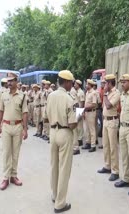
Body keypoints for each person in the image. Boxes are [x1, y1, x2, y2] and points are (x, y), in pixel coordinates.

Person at [45, 70, 77, 213]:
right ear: (67, 82)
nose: (72, 85)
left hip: (53, 132)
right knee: (64, 169)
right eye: (71, 82)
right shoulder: (69, 99)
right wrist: (79, 117)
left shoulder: (50, 96)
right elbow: (72, 124)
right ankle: (60, 203)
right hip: (65, 132)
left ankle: (54, 194)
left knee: (54, 166)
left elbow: (46, 117)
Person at [0, 72, 28, 190]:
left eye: (11, 81)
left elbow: (25, 113)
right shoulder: (3, 95)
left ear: (16, 81)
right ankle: (5, 177)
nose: (9, 83)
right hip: (6, 126)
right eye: (8, 81)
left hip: (18, 127)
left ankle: (13, 176)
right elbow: (0, 111)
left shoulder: (22, 96)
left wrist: (25, 129)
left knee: (15, 153)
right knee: (6, 153)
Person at [97, 74, 120, 182]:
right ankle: (107, 166)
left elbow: (108, 105)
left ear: (110, 83)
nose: (104, 85)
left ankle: (115, 171)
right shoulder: (108, 93)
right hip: (106, 120)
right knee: (106, 145)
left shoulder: (116, 93)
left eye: (106, 83)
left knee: (113, 146)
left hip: (112, 121)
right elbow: (103, 106)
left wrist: (105, 93)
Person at [82, 79, 97, 152]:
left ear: (90, 85)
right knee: (86, 128)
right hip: (86, 112)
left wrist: (85, 108)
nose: (86, 85)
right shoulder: (87, 92)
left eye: (87, 84)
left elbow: (94, 104)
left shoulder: (93, 93)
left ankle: (93, 145)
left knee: (92, 129)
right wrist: (84, 111)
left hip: (91, 112)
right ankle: (88, 142)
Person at [72, 80, 85, 155]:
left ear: (79, 85)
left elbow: (82, 102)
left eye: (76, 84)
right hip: (76, 109)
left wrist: (81, 111)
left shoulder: (81, 92)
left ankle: (80, 140)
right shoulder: (77, 91)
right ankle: (78, 140)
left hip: (79, 109)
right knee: (76, 127)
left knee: (79, 127)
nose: (74, 85)